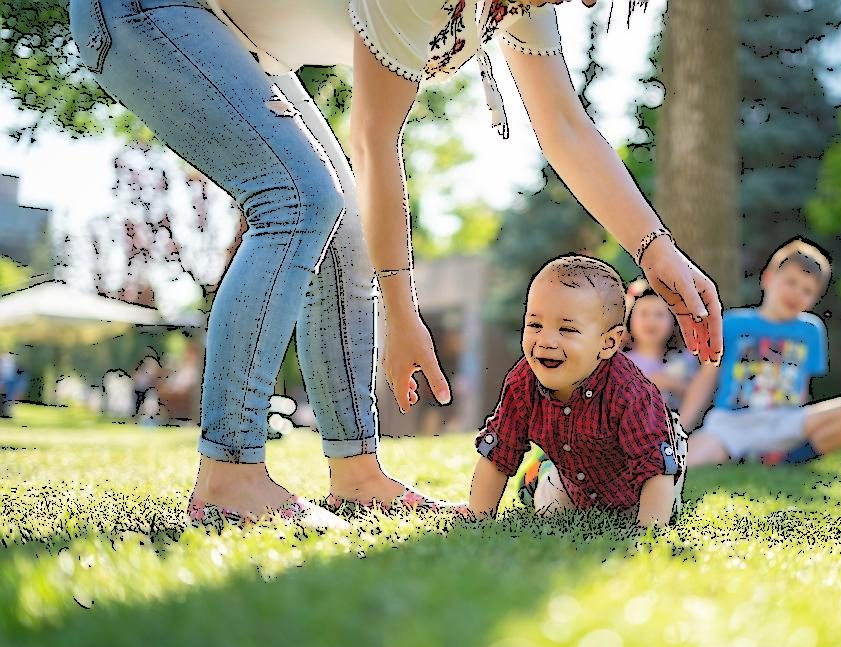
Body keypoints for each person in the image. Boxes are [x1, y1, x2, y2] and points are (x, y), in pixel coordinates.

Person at [67, 0, 720, 528]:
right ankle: (229, 476)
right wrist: (401, 315)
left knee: (343, 225)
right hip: (147, 12)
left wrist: (655, 252)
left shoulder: (524, 5)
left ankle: (356, 477)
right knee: (300, 198)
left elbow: (566, 130)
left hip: (241, 43)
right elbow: (374, 139)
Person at [465, 256, 688, 527]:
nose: (546, 341)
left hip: (640, 482)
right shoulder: (523, 383)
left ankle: (543, 473)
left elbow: (654, 467)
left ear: (607, 343)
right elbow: (499, 451)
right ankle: (539, 476)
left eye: (567, 329)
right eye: (535, 325)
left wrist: (649, 532)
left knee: (654, 511)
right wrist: (476, 518)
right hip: (576, 479)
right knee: (550, 511)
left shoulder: (630, 391)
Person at [678, 239, 841, 467]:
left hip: (784, 421)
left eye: (807, 290)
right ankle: (745, 455)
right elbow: (706, 378)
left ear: (814, 299)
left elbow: (802, 387)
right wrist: (681, 427)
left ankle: (784, 460)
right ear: (768, 279)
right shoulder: (733, 323)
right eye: (791, 282)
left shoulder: (811, 331)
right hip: (732, 423)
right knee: (687, 460)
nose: (797, 293)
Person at [624, 284, 699, 412]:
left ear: (674, 322)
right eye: (644, 314)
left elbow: (700, 396)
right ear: (630, 319)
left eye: (659, 315)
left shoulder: (686, 359)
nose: (651, 321)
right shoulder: (621, 361)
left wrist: (673, 384)